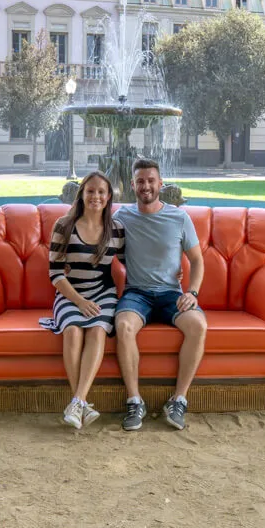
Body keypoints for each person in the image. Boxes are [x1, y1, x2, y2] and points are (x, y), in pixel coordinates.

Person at [114, 158, 206, 431]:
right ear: (132, 185)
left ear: (160, 184)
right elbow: (108, 250)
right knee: (123, 325)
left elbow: (198, 261)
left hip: (171, 294)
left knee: (198, 325)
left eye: (151, 180)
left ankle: (178, 400)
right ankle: (134, 400)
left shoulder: (179, 217)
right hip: (136, 293)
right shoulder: (121, 217)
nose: (146, 186)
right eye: (140, 181)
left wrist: (192, 292)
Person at [39, 171, 125, 429]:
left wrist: (173, 271)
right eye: (90, 191)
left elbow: (135, 263)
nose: (95, 196)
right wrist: (79, 302)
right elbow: (55, 273)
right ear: (82, 194)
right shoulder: (64, 226)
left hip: (103, 292)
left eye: (101, 192)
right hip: (69, 293)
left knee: (98, 331)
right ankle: (82, 404)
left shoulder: (117, 229)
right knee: (74, 331)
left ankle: (77, 401)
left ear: (109, 197)